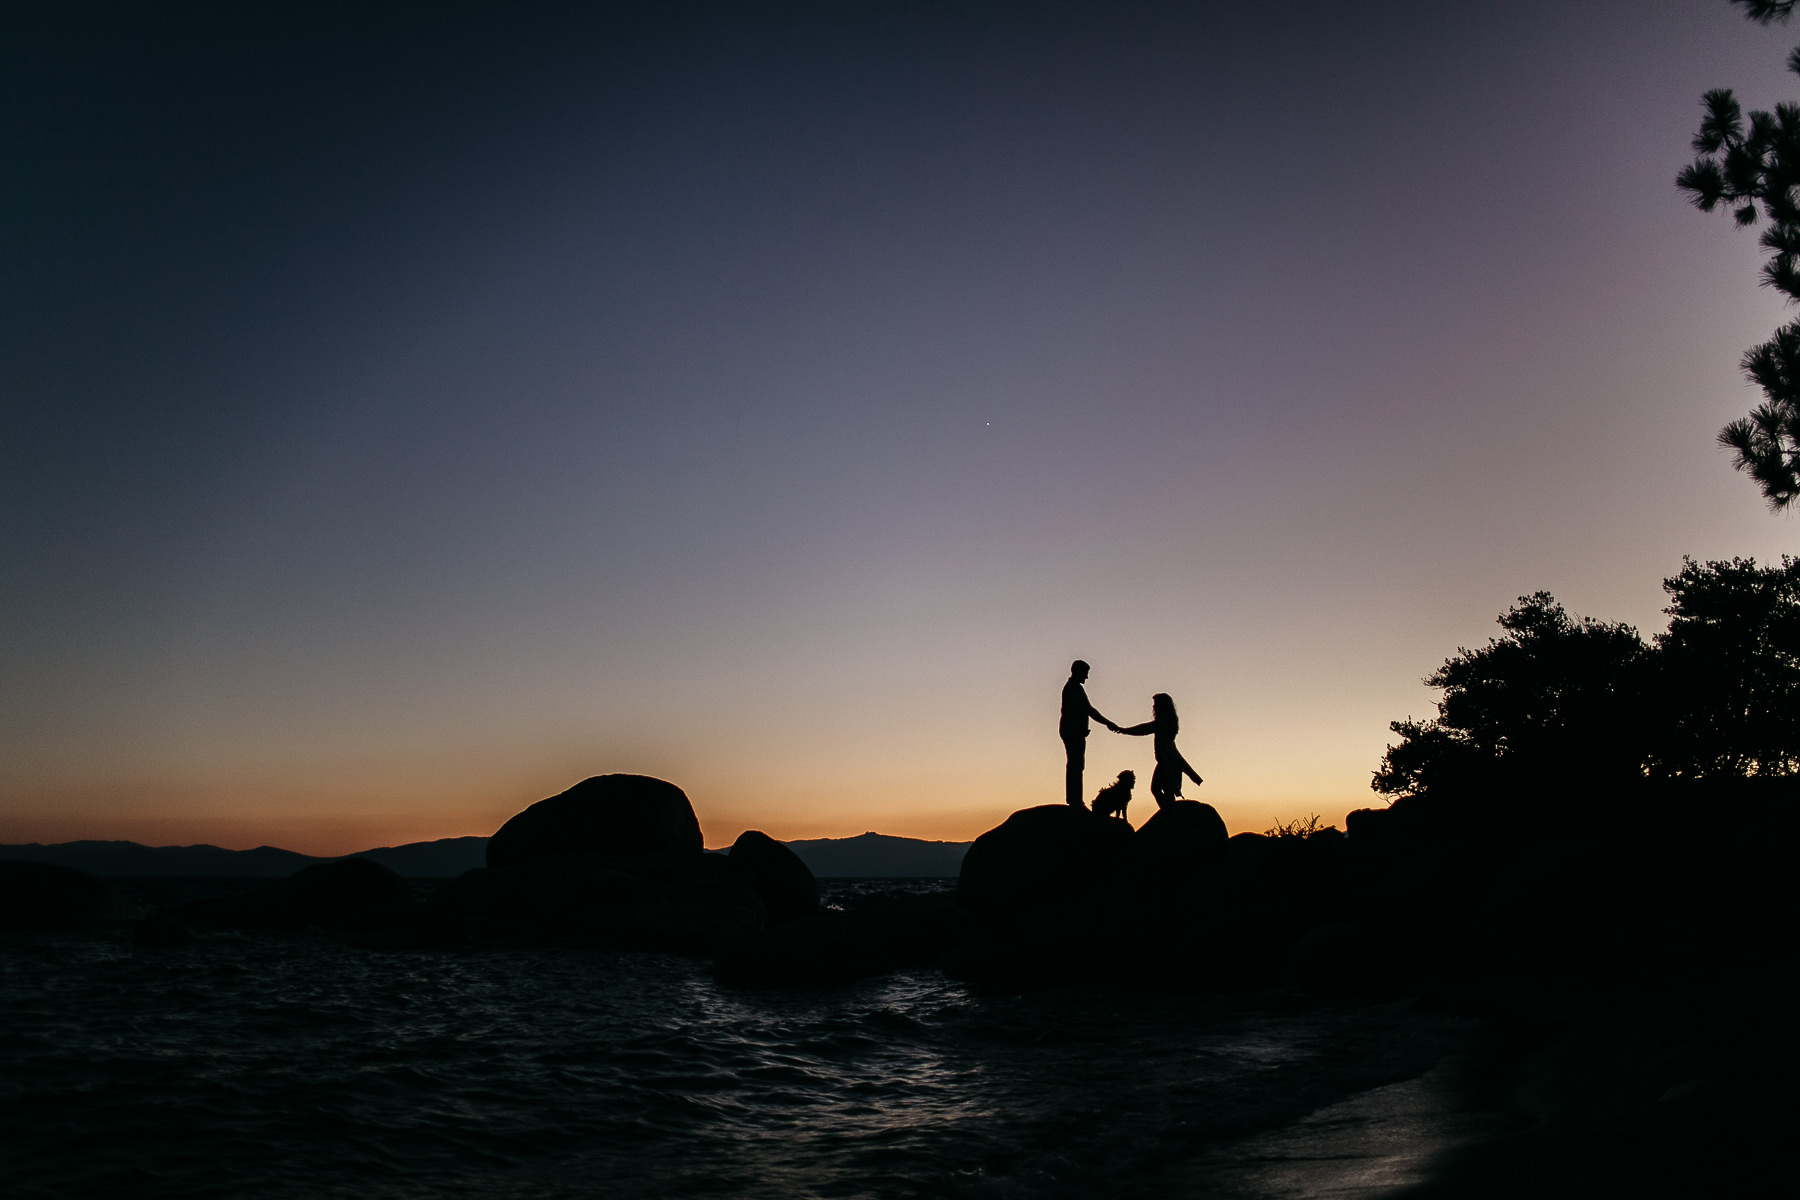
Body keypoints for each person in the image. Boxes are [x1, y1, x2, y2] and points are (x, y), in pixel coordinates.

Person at [1115, 692, 1203, 810]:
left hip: (1168, 763)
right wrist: (1124, 730)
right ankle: (1168, 811)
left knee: (1158, 789)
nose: (1153, 707)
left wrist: (1123, 730)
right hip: (1169, 762)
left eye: (1156, 704)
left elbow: (1145, 729)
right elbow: (1146, 728)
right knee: (1164, 789)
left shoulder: (1163, 722)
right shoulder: (1168, 721)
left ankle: (1168, 812)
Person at [1060, 660, 1118, 808]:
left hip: (1074, 731)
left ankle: (1074, 799)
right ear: (1077, 671)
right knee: (1076, 764)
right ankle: (1074, 800)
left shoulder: (1074, 687)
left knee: (1076, 764)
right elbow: (1088, 710)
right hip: (1073, 732)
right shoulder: (1074, 688)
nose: (1087, 677)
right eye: (1085, 673)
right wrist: (1108, 722)